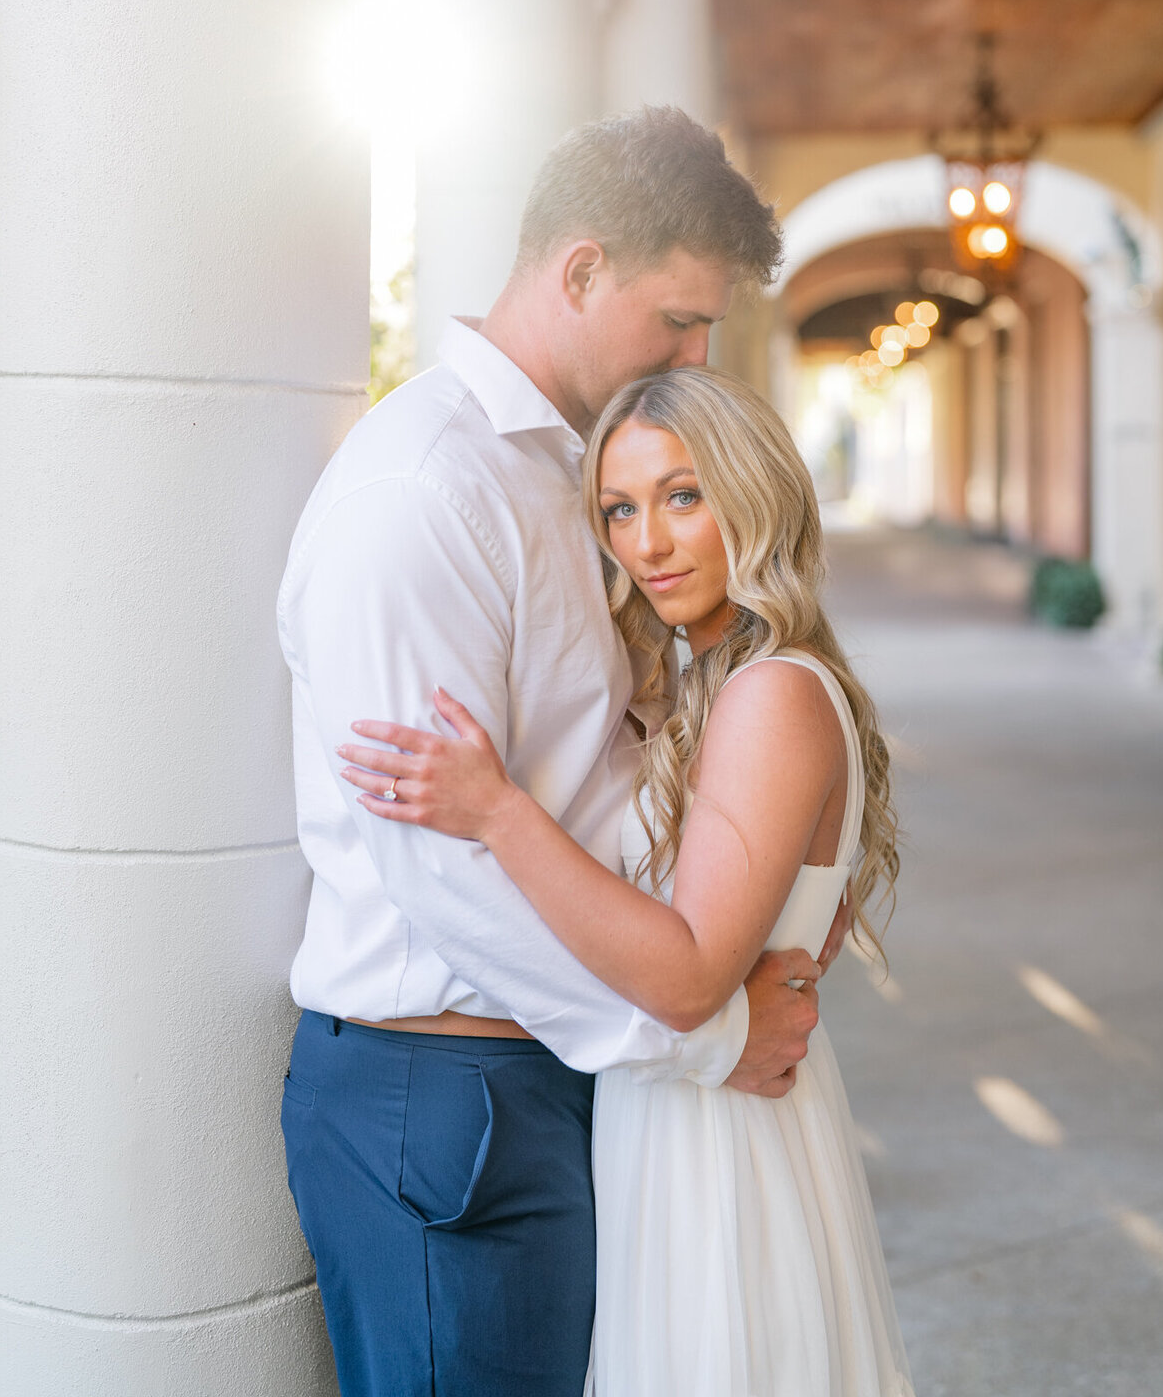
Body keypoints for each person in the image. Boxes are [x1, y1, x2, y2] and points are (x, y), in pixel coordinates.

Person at [277, 108, 847, 1397]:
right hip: (450, 1093)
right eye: (681, 321)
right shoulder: (422, 495)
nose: (699, 357)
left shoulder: (578, 474)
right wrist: (698, 1038)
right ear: (582, 269)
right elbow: (440, 866)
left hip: (568, 1059)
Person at [341, 364, 914, 1396]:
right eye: (619, 509)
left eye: (682, 496)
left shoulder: (771, 694)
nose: (647, 542)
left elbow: (689, 978)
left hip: (723, 1139)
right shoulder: (714, 689)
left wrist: (499, 811)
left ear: (755, 494)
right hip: (682, 1114)